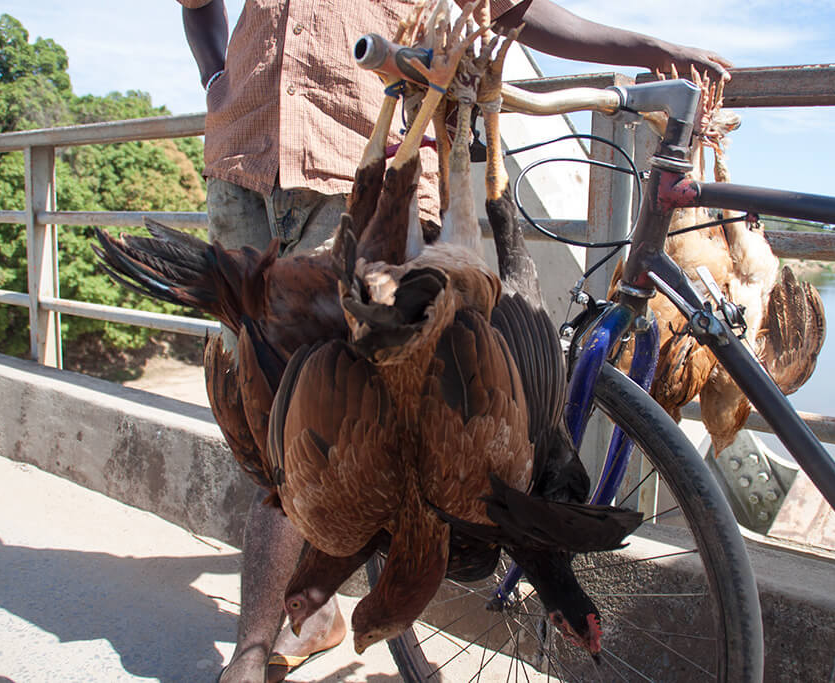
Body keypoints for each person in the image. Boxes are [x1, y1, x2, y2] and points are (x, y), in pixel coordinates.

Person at [177, 1, 732, 681]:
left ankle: (252, 648)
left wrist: (645, 47)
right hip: (242, 155)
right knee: (264, 411)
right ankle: (313, 615)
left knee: (310, 417)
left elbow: (517, 11)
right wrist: (216, 76)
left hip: (363, 156)